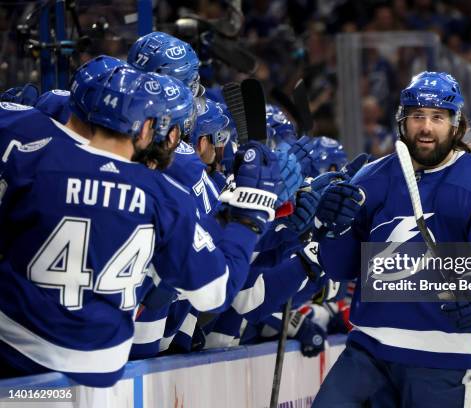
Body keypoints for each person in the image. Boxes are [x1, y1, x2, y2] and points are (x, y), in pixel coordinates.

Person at [0, 65, 280, 387]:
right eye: (167, 128)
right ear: (145, 128)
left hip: (12, 354)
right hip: (98, 371)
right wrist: (248, 219)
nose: (172, 139)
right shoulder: (164, 193)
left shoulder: (33, 154)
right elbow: (214, 293)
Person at [312, 71, 471, 407]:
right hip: (369, 349)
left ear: (456, 125)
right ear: (402, 121)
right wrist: (332, 225)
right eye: (417, 116)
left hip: (446, 356)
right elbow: (340, 268)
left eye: (437, 117)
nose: (426, 127)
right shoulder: (373, 176)